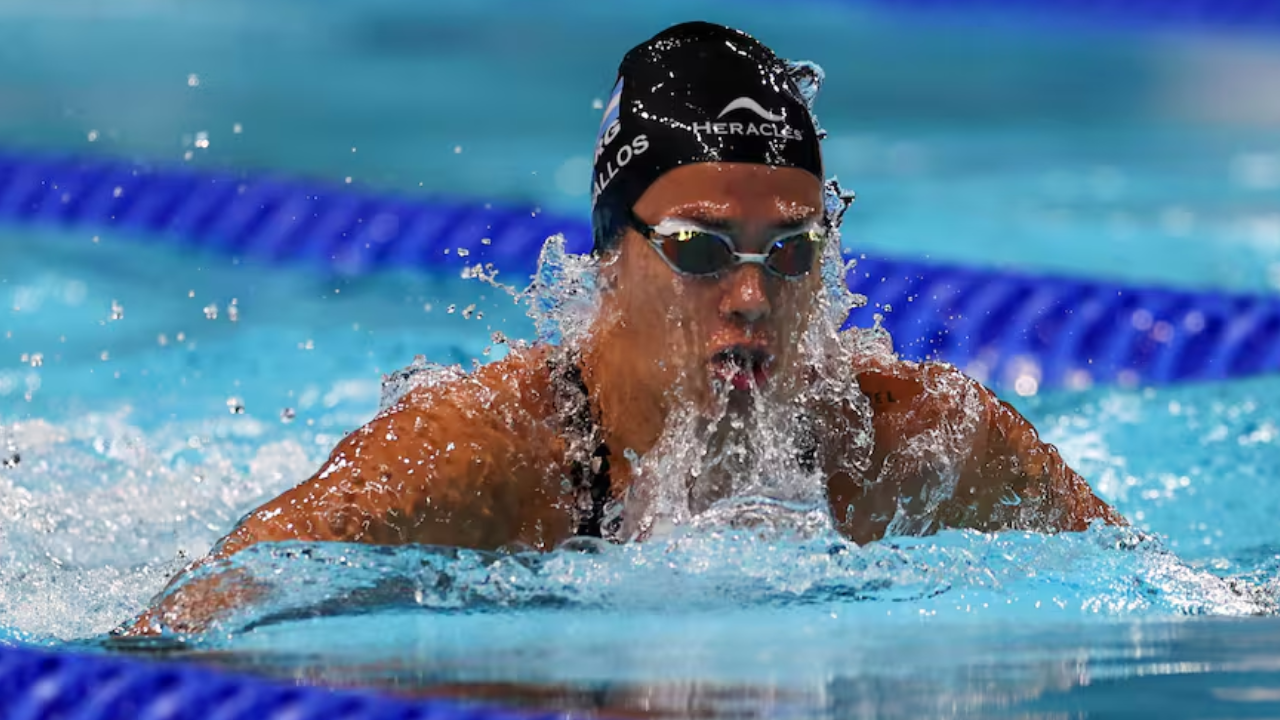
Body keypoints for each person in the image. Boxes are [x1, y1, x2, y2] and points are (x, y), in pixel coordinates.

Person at [120, 20, 1122, 637]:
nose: (748, 296)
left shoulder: (919, 443)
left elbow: (1162, 587)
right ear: (610, 254)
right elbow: (174, 625)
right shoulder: (489, 455)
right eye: (697, 249)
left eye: (790, 253)